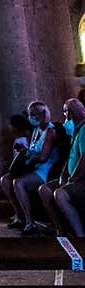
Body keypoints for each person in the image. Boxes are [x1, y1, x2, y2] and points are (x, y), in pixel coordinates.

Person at [0, 100, 59, 233]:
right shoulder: (37, 130)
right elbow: (33, 150)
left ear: (42, 114)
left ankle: (29, 221)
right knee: (5, 180)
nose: (31, 117)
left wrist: (26, 153)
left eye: (34, 114)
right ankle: (19, 216)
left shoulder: (50, 131)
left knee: (18, 183)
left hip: (46, 169)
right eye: (30, 114)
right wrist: (25, 153)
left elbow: (43, 157)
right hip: (34, 166)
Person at [38, 98, 85, 237]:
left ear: (70, 114)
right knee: (45, 189)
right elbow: (71, 157)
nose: (65, 116)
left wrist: (72, 179)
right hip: (73, 176)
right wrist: (63, 175)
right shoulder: (76, 130)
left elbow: (84, 159)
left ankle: (79, 235)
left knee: (60, 194)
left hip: (81, 179)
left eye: (65, 112)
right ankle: (61, 231)